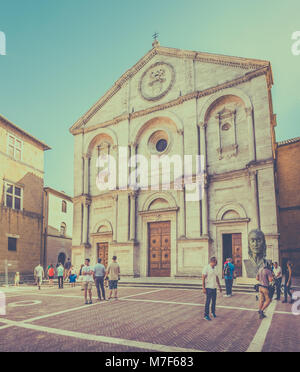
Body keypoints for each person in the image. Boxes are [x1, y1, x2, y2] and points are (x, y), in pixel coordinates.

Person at [202, 257, 222, 321]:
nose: (216, 264)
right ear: (212, 262)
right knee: (208, 301)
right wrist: (203, 288)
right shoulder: (206, 268)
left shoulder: (215, 268)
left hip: (214, 287)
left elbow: (217, 277)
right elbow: (203, 278)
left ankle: (213, 312)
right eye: (215, 262)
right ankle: (206, 315)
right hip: (208, 287)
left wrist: (219, 286)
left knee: (214, 301)